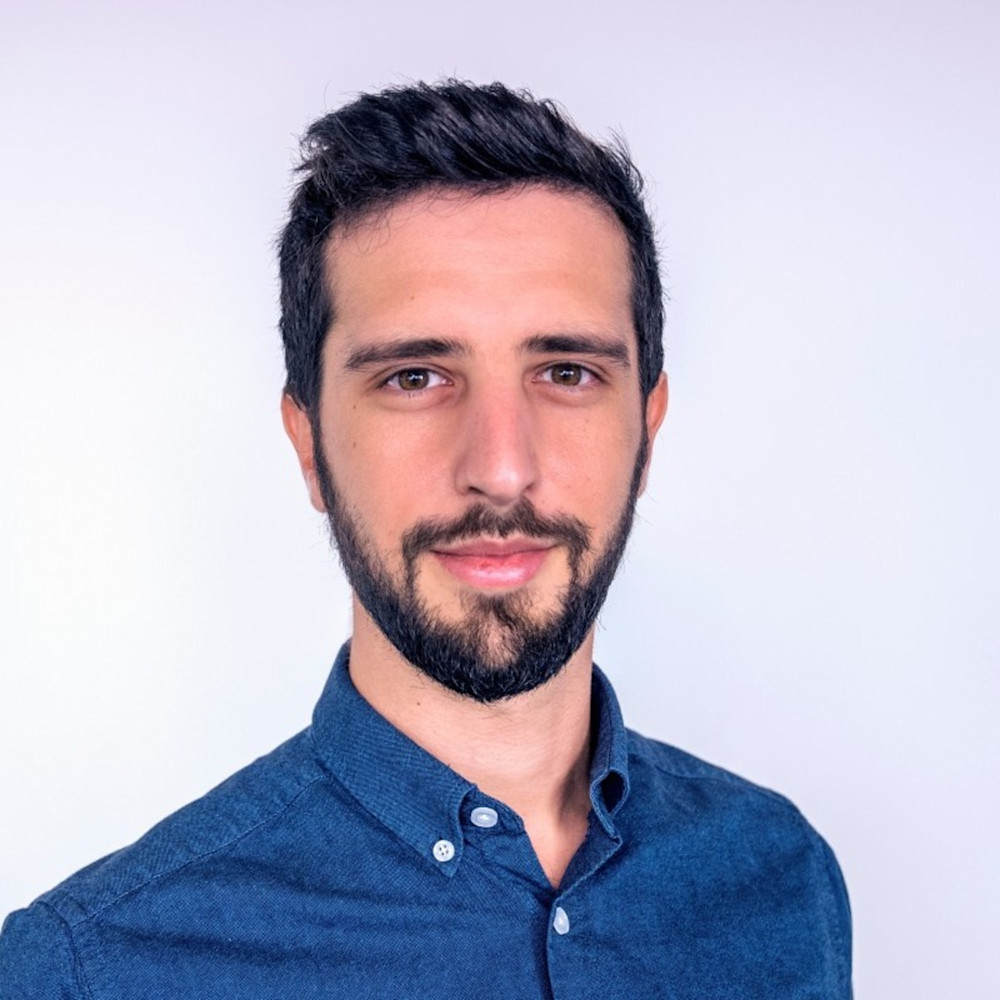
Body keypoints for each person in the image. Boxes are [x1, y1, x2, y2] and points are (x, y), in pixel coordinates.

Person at [0, 80, 852, 998]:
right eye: (415, 377)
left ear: (647, 429)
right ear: (310, 446)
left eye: (566, 372)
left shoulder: (783, 879)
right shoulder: (92, 968)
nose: (502, 469)